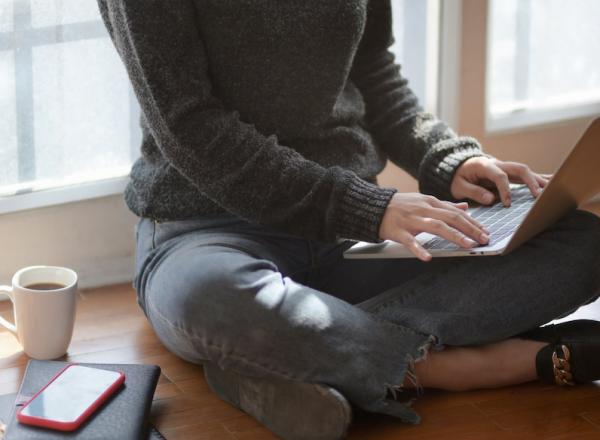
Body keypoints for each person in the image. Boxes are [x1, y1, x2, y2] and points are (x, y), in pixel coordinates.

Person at [98, 1, 600, 439]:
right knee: (209, 298)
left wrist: (445, 157)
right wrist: (364, 207)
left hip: (351, 233)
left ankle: (291, 360)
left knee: (582, 243)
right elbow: (188, 125)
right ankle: (455, 367)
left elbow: (371, 67)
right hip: (208, 230)